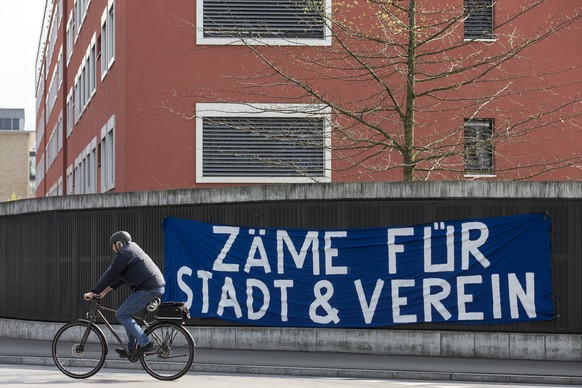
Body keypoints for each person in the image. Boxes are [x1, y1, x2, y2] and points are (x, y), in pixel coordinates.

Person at [84, 231, 166, 357]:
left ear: (119, 244)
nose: (112, 248)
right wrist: (103, 292)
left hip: (148, 288)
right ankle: (132, 349)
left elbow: (109, 275)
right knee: (127, 314)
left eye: (113, 245)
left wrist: (93, 291)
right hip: (154, 286)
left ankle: (145, 343)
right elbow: (119, 278)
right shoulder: (132, 250)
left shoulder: (123, 254)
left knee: (121, 314)